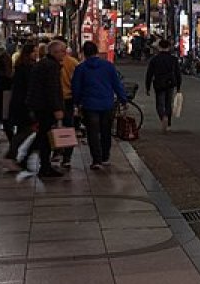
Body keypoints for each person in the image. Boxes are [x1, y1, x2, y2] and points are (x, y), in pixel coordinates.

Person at [69, 40, 131, 171]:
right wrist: (123, 100)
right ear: (96, 51)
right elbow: (116, 84)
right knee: (106, 131)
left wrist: (76, 103)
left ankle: (96, 160)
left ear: (84, 53)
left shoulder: (81, 68)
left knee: (92, 132)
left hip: (89, 104)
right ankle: (105, 156)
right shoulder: (108, 66)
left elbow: (76, 87)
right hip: (107, 103)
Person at [19, 38, 68, 179]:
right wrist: (57, 108)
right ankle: (44, 166)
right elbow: (52, 89)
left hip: (39, 106)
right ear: (54, 52)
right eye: (62, 51)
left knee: (42, 135)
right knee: (45, 137)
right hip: (45, 107)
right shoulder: (51, 66)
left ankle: (35, 162)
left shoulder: (43, 64)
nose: (64, 54)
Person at [145, 41, 183, 132]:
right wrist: (178, 86)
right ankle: (168, 123)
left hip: (159, 83)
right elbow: (178, 73)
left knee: (159, 103)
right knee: (168, 103)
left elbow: (149, 74)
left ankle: (163, 117)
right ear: (169, 47)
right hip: (170, 83)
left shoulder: (154, 59)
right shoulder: (173, 59)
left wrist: (148, 87)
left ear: (159, 47)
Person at [57, 40, 82, 169]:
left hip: (56, 99)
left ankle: (56, 151)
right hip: (69, 98)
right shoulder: (73, 62)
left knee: (54, 126)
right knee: (68, 127)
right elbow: (78, 82)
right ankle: (66, 157)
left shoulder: (51, 63)